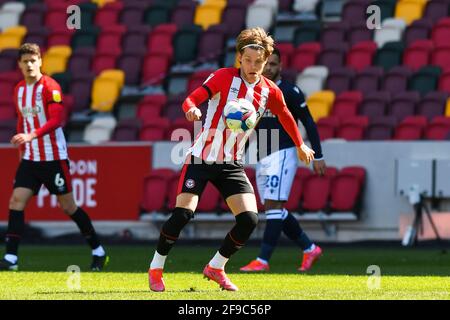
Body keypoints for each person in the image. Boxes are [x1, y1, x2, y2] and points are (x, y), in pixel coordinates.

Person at [147, 28, 315, 292]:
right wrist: (190, 108)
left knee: (249, 219)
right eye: (247, 60)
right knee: (183, 214)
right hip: (202, 158)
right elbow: (194, 97)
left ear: (266, 60)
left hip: (230, 163)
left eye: (258, 62)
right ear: (239, 58)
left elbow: (285, 116)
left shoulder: (270, 91)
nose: (253, 66)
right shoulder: (224, 77)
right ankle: (156, 268)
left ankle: (215, 267)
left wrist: (300, 145)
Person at [0, 43, 108, 271]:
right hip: (30, 158)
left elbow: (56, 120)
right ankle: (11, 259)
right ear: (19, 64)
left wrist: (31, 136)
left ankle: (98, 250)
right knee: (16, 201)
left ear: (40, 61)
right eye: (25, 61)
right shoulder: (19, 89)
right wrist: (22, 150)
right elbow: (22, 120)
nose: (29, 65)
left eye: (33, 60)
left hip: (53, 158)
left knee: (68, 207)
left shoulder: (50, 87)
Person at [240, 48, 326, 273]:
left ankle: (263, 260)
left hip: (285, 152)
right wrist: (239, 152)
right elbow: (250, 127)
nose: (269, 68)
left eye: (274, 64)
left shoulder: (290, 91)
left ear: (281, 66)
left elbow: (309, 122)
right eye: (265, 64)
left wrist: (318, 154)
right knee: (272, 207)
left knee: (275, 205)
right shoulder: (255, 92)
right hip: (263, 155)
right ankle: (310, 248)